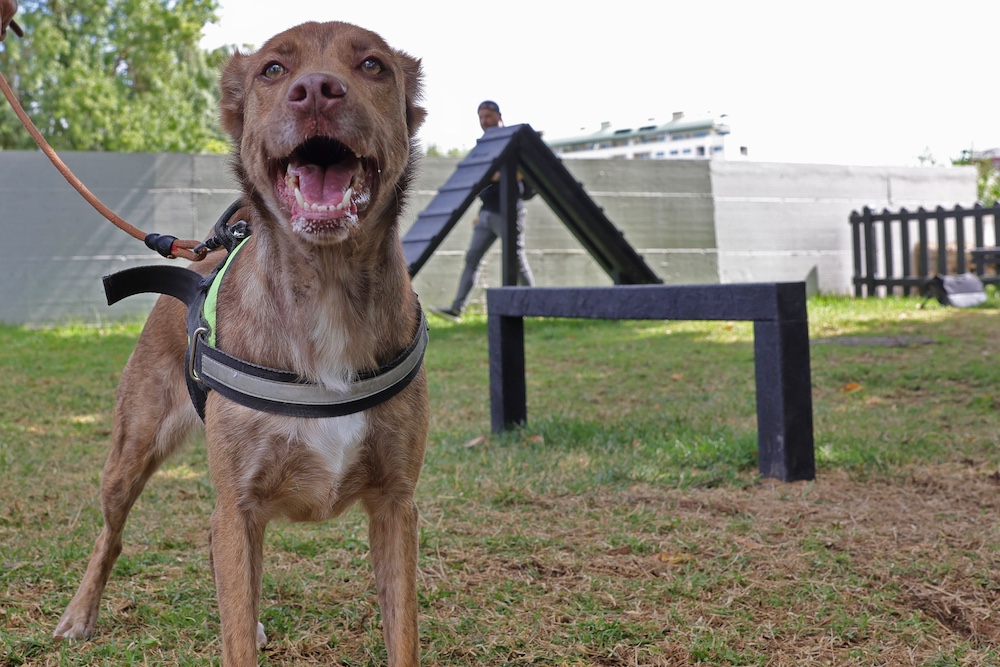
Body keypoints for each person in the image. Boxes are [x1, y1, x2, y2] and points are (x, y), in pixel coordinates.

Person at [429, 100, 535, 322]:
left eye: (488, 116)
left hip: (509, 214)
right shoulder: (483, 145)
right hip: (486, 214)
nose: (484, 121)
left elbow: (520, 176)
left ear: (498, 115)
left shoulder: (512, 140)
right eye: (481, 118)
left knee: (516, 258)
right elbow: (480, 179)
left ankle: (534, 305)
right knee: (472, 259)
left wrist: (497, 174)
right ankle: (457, 309)